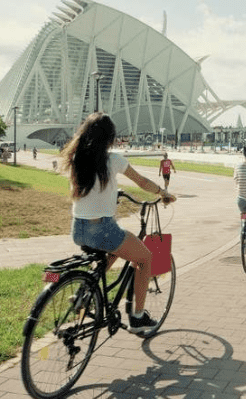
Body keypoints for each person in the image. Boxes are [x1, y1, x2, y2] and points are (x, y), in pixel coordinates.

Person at [62, 112, 176, 335]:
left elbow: (90, 191)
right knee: (144, 258)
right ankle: (138, 317)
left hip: (78, 228)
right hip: (101, 228)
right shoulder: (113, 160)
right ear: (109, 138)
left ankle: (85, 293)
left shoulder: (77, 158)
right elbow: (142, 181)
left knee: (114, 248)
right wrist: (163, 192)